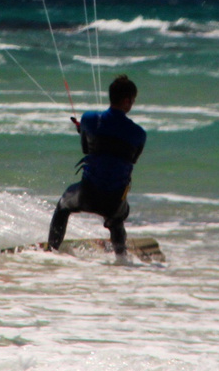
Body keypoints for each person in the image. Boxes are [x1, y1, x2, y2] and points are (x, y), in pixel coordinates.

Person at [46, 73, 146, 259]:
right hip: (115, 201)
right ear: (126, 100)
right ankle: (121, 257)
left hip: (88, 194)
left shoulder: (89, 119)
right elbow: (130, 159)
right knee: (116, 218)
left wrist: (83, 129)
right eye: (133, 100)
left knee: (63, 207)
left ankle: (51, 251)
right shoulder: (139, 134)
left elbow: (86, 149)